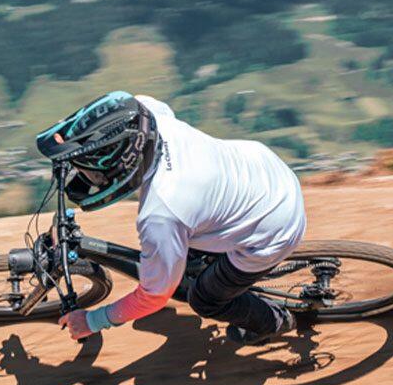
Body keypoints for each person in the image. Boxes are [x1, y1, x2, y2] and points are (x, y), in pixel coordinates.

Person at [35, 91, 307, 345]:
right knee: (184, 249)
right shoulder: (147, 114)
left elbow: (154, 296)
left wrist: (93, 320)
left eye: (92, 173)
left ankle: (276, 322)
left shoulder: (161, 214)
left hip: (275, 229)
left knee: (204, 300)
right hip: (263, 169)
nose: (88, 177)